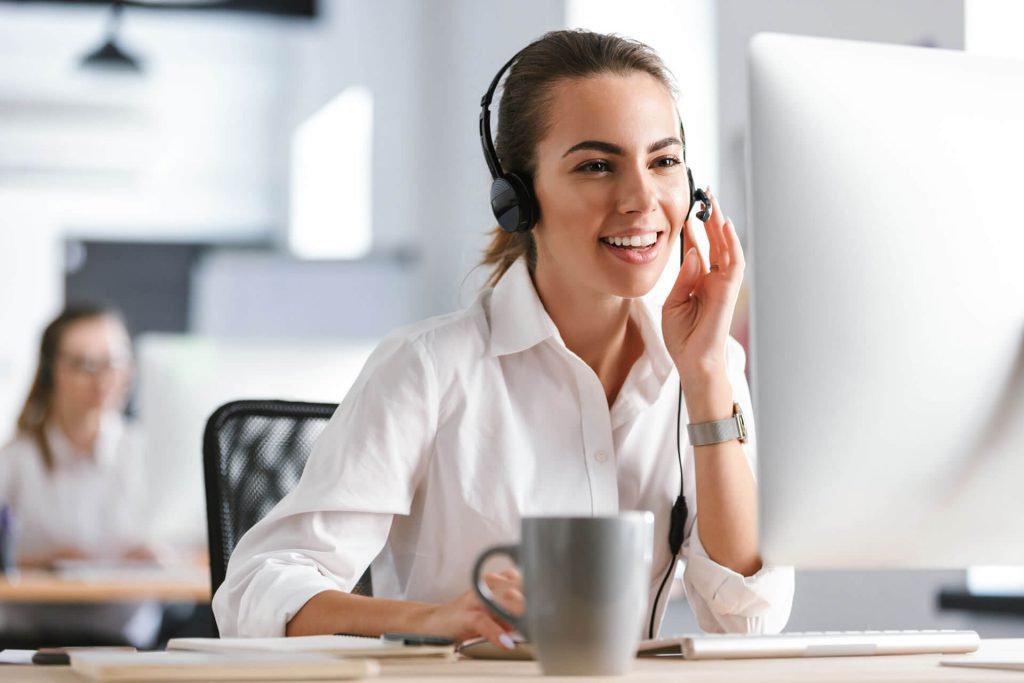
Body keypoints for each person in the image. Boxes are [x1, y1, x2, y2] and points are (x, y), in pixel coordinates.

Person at [213, 29, 794, 646]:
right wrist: (430, 621)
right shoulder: (428, 370)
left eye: (664, 161)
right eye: (597, 166)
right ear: (516, 199)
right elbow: (257, 589)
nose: (641, 199)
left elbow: (747, 618)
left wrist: (707, 380)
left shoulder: (706, 368)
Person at [0, 303, 162, 647]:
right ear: (50, 372)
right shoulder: (16, 459)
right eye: (84, 364)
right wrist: (39, 563)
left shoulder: (149, 456)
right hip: (24, 640)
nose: (103, 378)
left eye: (114, 362)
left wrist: (163, 555)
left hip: (126, 645)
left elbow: (198, 549)